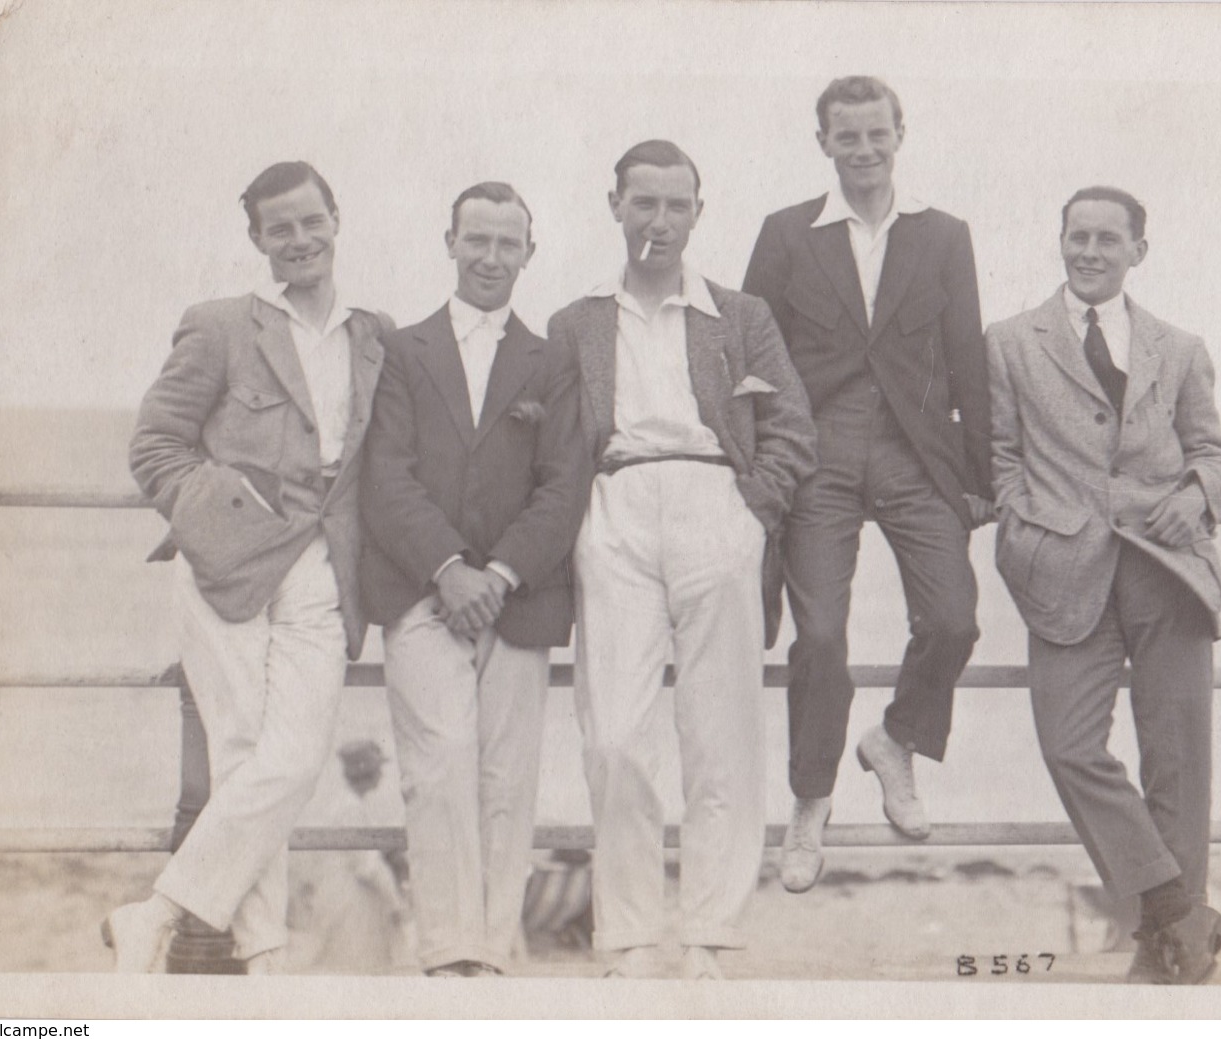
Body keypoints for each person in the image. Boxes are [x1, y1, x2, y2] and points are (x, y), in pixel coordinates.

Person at [547, 140, 816, 979]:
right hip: (616, 506)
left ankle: (709, 933)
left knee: (720, 731)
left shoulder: (741, 316)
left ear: (699, 211)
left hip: (716, 508)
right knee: (616, 735)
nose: (658, 221)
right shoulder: (575, 321)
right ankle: (626, 935)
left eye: (675, 205)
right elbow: (556, 444)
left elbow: (793, 429)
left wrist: (751, 508)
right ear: (614, 207)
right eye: (642, 204)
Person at [113, 161, 390, 973]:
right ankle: (264, 949)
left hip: (322, 569)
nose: (300, 240)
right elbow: (154, 446)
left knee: (294, 754)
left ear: (336, 218)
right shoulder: (220, 323)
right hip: (227, 565)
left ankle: (157, 910)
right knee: (239, 750)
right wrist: (223, 513)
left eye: (312, 221)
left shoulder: (372, 334)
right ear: (258, 240)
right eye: (281, 229)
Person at [742, 75, 993, 893]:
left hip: (916, 451)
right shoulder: (785, 233)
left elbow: (966, 358)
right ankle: (810, 801)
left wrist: (981, 476)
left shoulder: (943, 235)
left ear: (899, 133)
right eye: (845, 137)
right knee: (816, 638)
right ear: (823, 143)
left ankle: (896, 740)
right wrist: (757, 470)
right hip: (816, 451)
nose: (862, 150)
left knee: (954, 618)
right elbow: (750, 357)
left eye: (875, 134)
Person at [985, 186, 1221, 984]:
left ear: (1137, 251)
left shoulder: (1180, 347)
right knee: (1068, 744)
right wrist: (1025, 523)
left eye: (1106, 238)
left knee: (1177, 758)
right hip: (1062, 570)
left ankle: (1166, 951)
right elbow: (997, 457)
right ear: (1059, 241)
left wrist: (1193, 497)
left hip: (1167, 571)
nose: (1089, 250)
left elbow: (1213, 453)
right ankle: (1172, 903)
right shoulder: (1008, 343)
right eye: (1076, 236)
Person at [359, 181, 589, 977]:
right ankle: (444, 952)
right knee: (438, 763)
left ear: (530, 251)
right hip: (422, 591)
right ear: (449, 242)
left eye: (508, 243)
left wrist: (500, 572)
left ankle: (490, 954)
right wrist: (450, 568)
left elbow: (566, 483)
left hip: (518, 597)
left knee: (505, 776)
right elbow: (384, 474)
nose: (491, 257)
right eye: (477, 240)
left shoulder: (552, 358)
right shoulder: (402, 349)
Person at [286, 740, 413, 974]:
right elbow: (367, 866)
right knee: (352, 966)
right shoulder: (349, 808)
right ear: (367, 771)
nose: (381, 775)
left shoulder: (348, 804)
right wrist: (394, 901)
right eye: (378, 769)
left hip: (344, 897)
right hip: (350, 903)